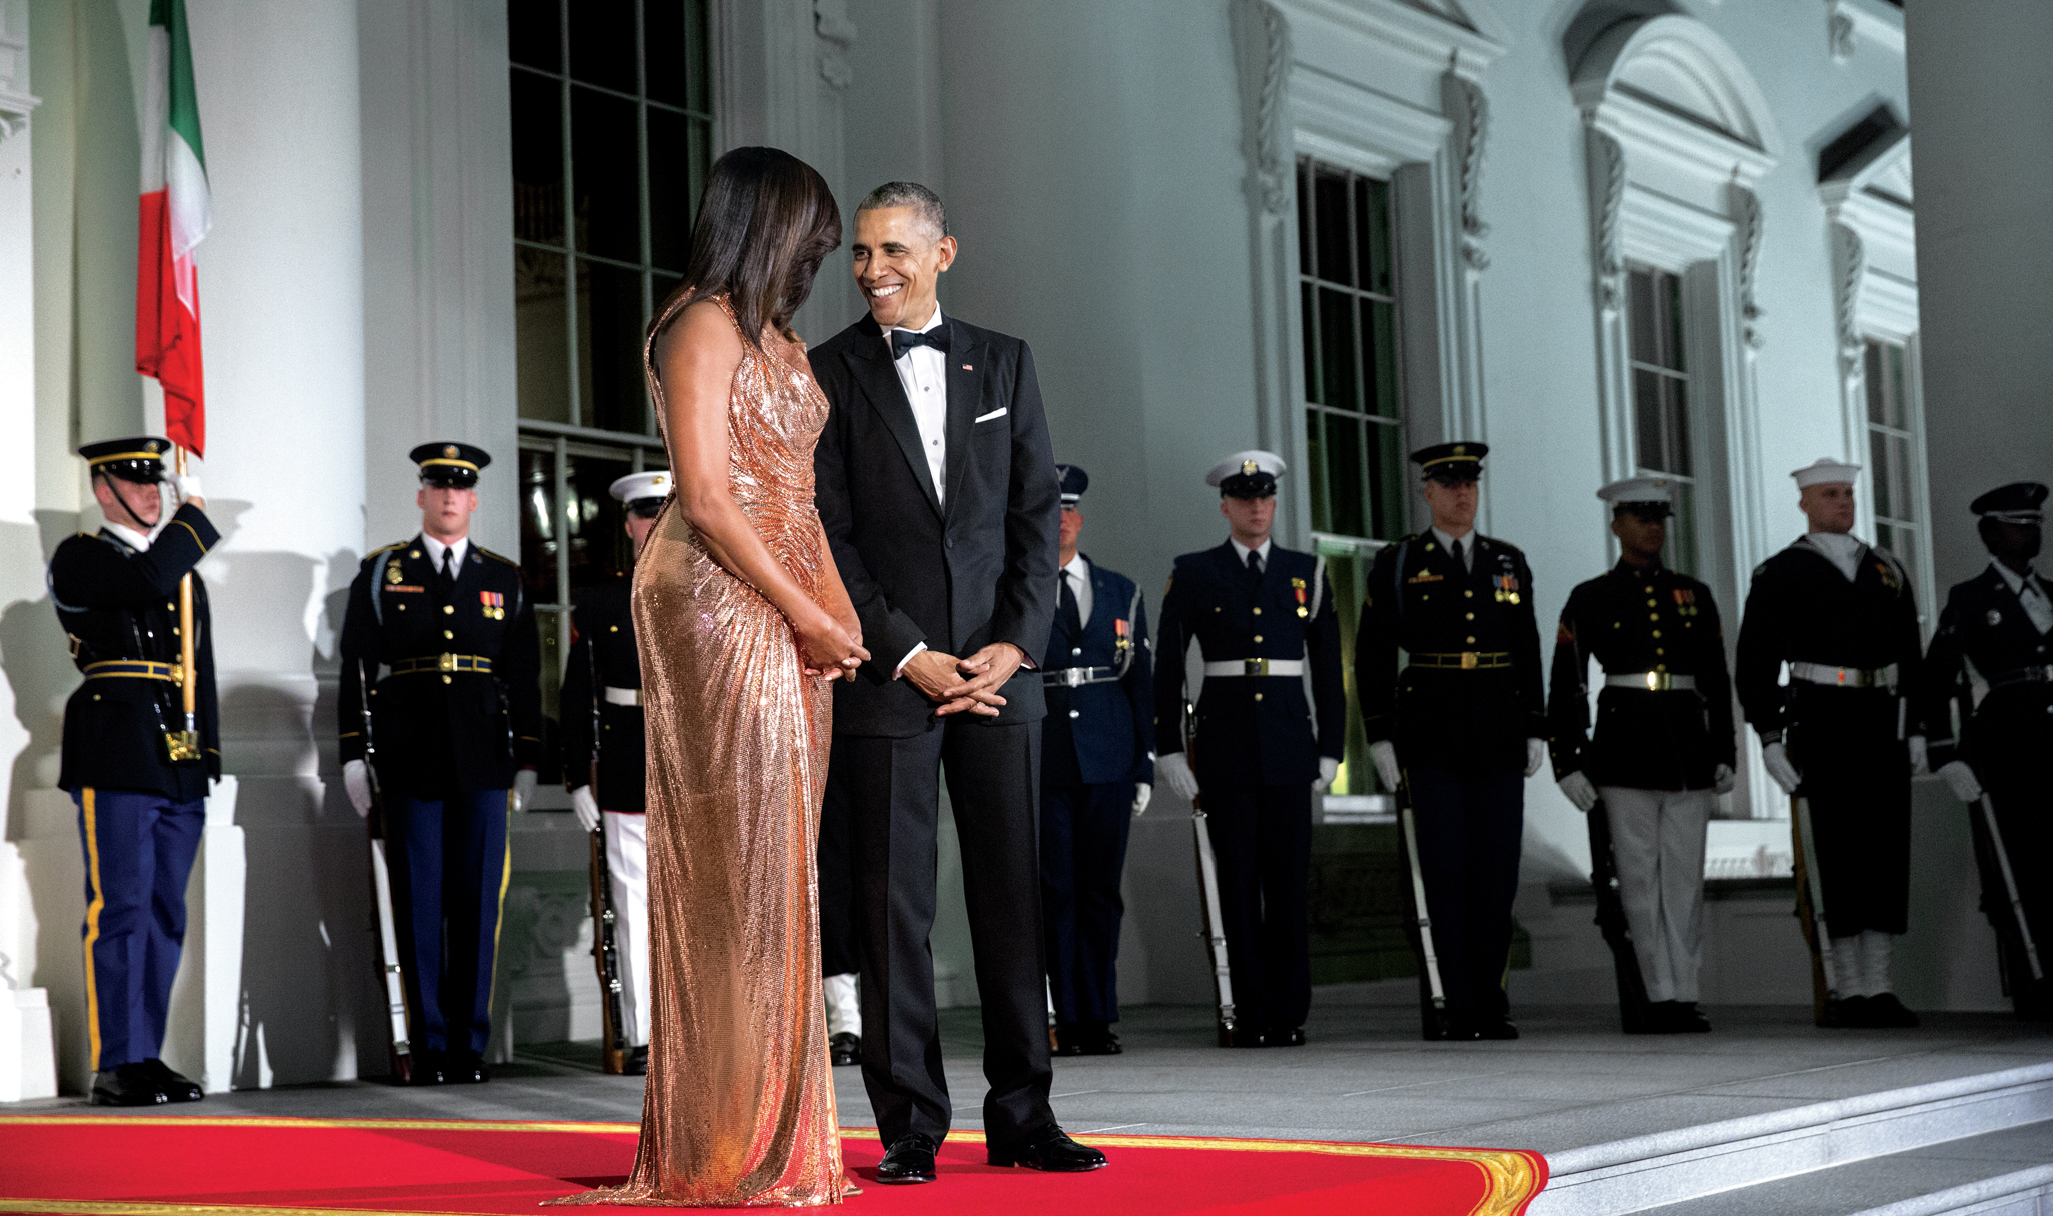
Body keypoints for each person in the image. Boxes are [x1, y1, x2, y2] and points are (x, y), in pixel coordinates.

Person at [553, 147, 866, 1207]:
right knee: (736, 872)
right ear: (767, 224)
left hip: (782, 592)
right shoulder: (698, 323)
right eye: (813, 235)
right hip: (715, 597)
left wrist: (839, 612)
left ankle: (770, 1128)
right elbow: (710, 495)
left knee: (782, 863)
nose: (822, 255)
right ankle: (722, 1141)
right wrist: (805, 608)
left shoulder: (778, 337)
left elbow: (799, 494)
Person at [811, 180, 1102, 1185]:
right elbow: (827, 538)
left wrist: (1014, 647)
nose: (872, 269)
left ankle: (1024, 1116)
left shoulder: (1005, 361)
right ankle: (910, 1130)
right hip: (891, 678)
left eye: (893, 250)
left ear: (943, 253)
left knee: (1012, 900)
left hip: (999, 674)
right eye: (860, 252)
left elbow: (1035, 517)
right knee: (894, 911)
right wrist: (905, 650)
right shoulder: (830, 370)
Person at [337, 443, 543, 1084]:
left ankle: (467, 1045)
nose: (450, 497)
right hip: (410, 755)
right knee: (419, 901)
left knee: (478, 904)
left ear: (474, 500)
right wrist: (351, 754)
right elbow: (356, 668)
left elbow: (526, 677)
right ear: (422, 497)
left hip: (483, 758)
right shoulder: (382, 572)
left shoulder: (502, 578)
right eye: (438, 487)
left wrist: (529, 759)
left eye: (461, 488)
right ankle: (427, 1046)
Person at [1153, 451, 1344, 1049]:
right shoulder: (1195, 571)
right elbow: (1167, 669)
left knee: (1287, 885)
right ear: (1225, 506)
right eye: (1245, 497)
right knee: (1235, 884)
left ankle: (1288, 1012)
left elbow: (1330, 669)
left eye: (1265, 496)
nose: (1257, 506)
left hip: (1291, 742)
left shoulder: (1305, 571)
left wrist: (1332, 747)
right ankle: (1245, 1010)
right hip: (1226, 742)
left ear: (1273, 504)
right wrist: (1170, 750)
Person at [1355, 442, 1545, 1041]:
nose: (1463, 493)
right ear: (1428, 493)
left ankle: (1490, 998)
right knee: (1442, 871)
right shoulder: (1399, 562)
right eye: (1450, 484)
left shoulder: (1505, 561)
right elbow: (1373, 652)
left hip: (1497, 730)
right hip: (1429, 732)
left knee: (1496, 873)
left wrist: (1536, 725)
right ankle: (1450, 1000)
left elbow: (1528, 646)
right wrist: (1380, 735)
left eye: (1470, 483)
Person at [49, 437, 216, 1106]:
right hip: (116, 745)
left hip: (176, 754)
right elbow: (139, 584)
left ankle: (147, 1053)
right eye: (136, 481)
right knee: (118, 906)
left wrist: (211, 753)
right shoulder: (82, 558)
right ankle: (114, 1058)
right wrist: (194, 521)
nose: (153, 492)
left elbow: (201, 667)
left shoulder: (181, 571)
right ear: (103, 489)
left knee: (165, 910)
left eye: (157, 481)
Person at [1735, 458, 1927, 1029]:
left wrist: (1917, 727)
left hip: (1881, 719)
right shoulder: (1782, 572)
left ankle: (1881, 984)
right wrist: (1769, 737)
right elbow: (1755, 662)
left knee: (1885, 850)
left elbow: (1911, 657)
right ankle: (1847, 987)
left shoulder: (1884, 569)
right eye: (1829, 494)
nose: (1842, 503)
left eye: (1847, 493)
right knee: (1838, 851)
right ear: (1805, 504)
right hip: (1822, 720)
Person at [1547, 476, 1736, 1034]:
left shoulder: (1693, 594)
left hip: (1685, 746)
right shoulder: (1591, 597)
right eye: (1640, 517)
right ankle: (1651, 993)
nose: (1652, 526)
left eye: (1659, 517)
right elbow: (1567, 683)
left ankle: (1684, 991)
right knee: (1636, 878)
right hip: (1624, 746)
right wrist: (1568, 760)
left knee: (1683, 878)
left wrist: (1723, 747)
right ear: (1617, 524)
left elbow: (1716, 679)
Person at [1919, 481, 2053, 1018]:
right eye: (2018, 524)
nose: (2030, 532)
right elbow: (1936, 680)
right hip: (2007, 746)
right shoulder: (1970, 599)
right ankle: (2031, 984)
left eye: (2035, 522)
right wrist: (1946, 754)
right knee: (2020, 869)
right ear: (1991, 533)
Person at [1039, 464, 1154, 1057]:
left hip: (1109, 758)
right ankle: (1063, 1018)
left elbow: (1140, 683)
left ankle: (1098, 1016)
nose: (1061, 519)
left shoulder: (1119, 590)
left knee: (1101, 892)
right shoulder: (1023, 585)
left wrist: (1145, 763)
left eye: (1069, 509)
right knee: (1055, 890)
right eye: (1050, 508)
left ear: (1080, 519)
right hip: (1048, 761)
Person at [560, 470, 669, 1076]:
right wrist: (577, 774)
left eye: (664, 511)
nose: (654, 523)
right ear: (629, 524)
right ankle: (646, 1035)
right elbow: (579, 694)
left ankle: (695, 1038)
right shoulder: (602, 602)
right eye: (645, 514)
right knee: (632, 906)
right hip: (628, 761)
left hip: (693, 772)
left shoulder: (710, 592)